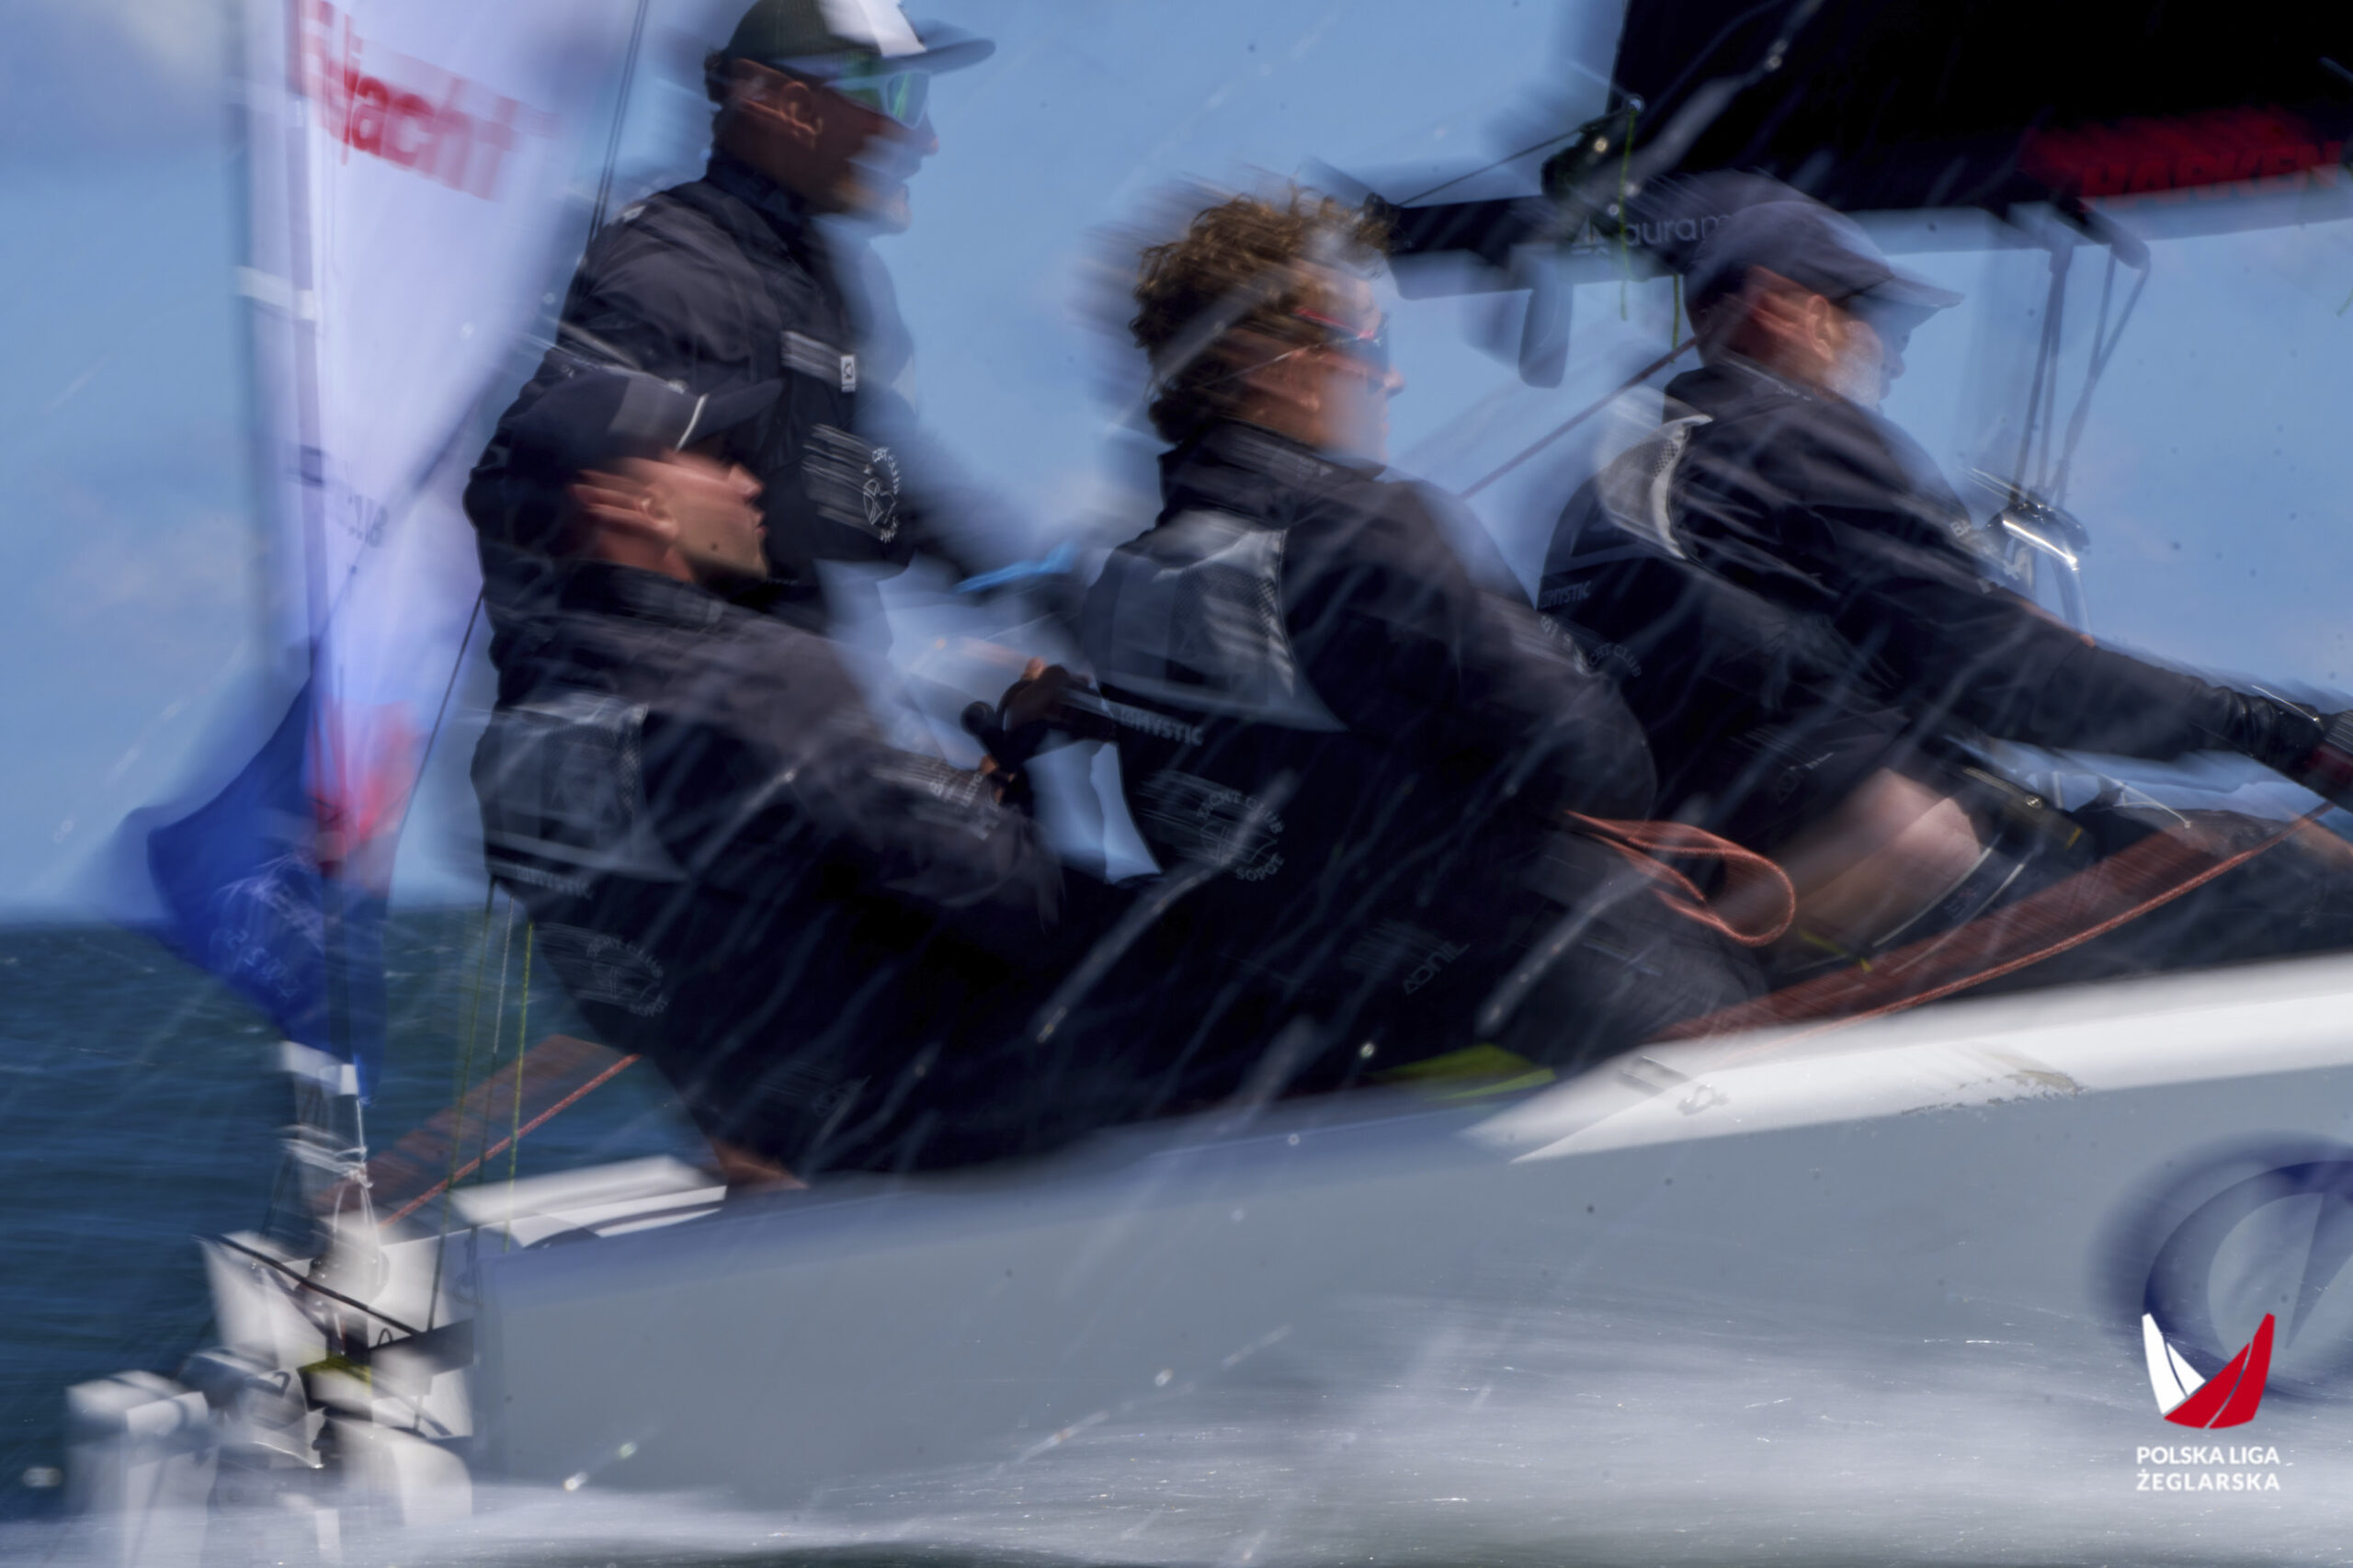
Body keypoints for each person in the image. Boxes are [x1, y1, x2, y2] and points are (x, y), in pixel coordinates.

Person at [1539, 189, 2353, 978]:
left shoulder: (1618, 480)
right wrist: (2284, 733)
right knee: (2292, 880)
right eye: (1869, 317)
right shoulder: (1784, 436)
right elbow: (2001, 671)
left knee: (2206, 842)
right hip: (1896, 881)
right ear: (1782, 307)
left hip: (1722, 892)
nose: (1891, 353)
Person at [1072, 189, 1768, 1103]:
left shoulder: (1126, 585)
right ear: (1265, 362)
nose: (1391, 379)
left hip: (1336, 1042)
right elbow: (1592, 760)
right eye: (1368, 343)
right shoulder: (1363, 526)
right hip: (1581, 1009)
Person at [470, 367, 1086, 1179]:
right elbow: (1022, 906)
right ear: (634, 504)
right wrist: (1031, 768)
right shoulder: (769, 679)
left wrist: (976, 784)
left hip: (764, 1137)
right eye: (711, 457)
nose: (748, 482)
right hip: (945, 1133)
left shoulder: (516, 735)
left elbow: (654, 946)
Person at [467, 0, 995, 638]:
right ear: (792, 107)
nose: (923, 137)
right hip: (686, 687)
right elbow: (535, 490)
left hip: (768, 682)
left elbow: (864, 484)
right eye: (898, 95)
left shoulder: (820, 277)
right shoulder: (677, 264)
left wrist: (1023, 579)